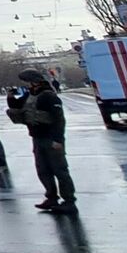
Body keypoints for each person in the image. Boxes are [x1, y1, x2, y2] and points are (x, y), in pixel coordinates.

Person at [18, 69, 76, 214]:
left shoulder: (49, 96)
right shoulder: (31, 95)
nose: (28, 86)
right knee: (43, 170)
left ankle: (69, 201)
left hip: (51, 139)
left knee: (60, 170)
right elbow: (18, 107)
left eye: (29, 83)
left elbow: (59, 120)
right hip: (37, 138)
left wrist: (58, 139)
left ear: (36, 82)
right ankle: (51, 197)